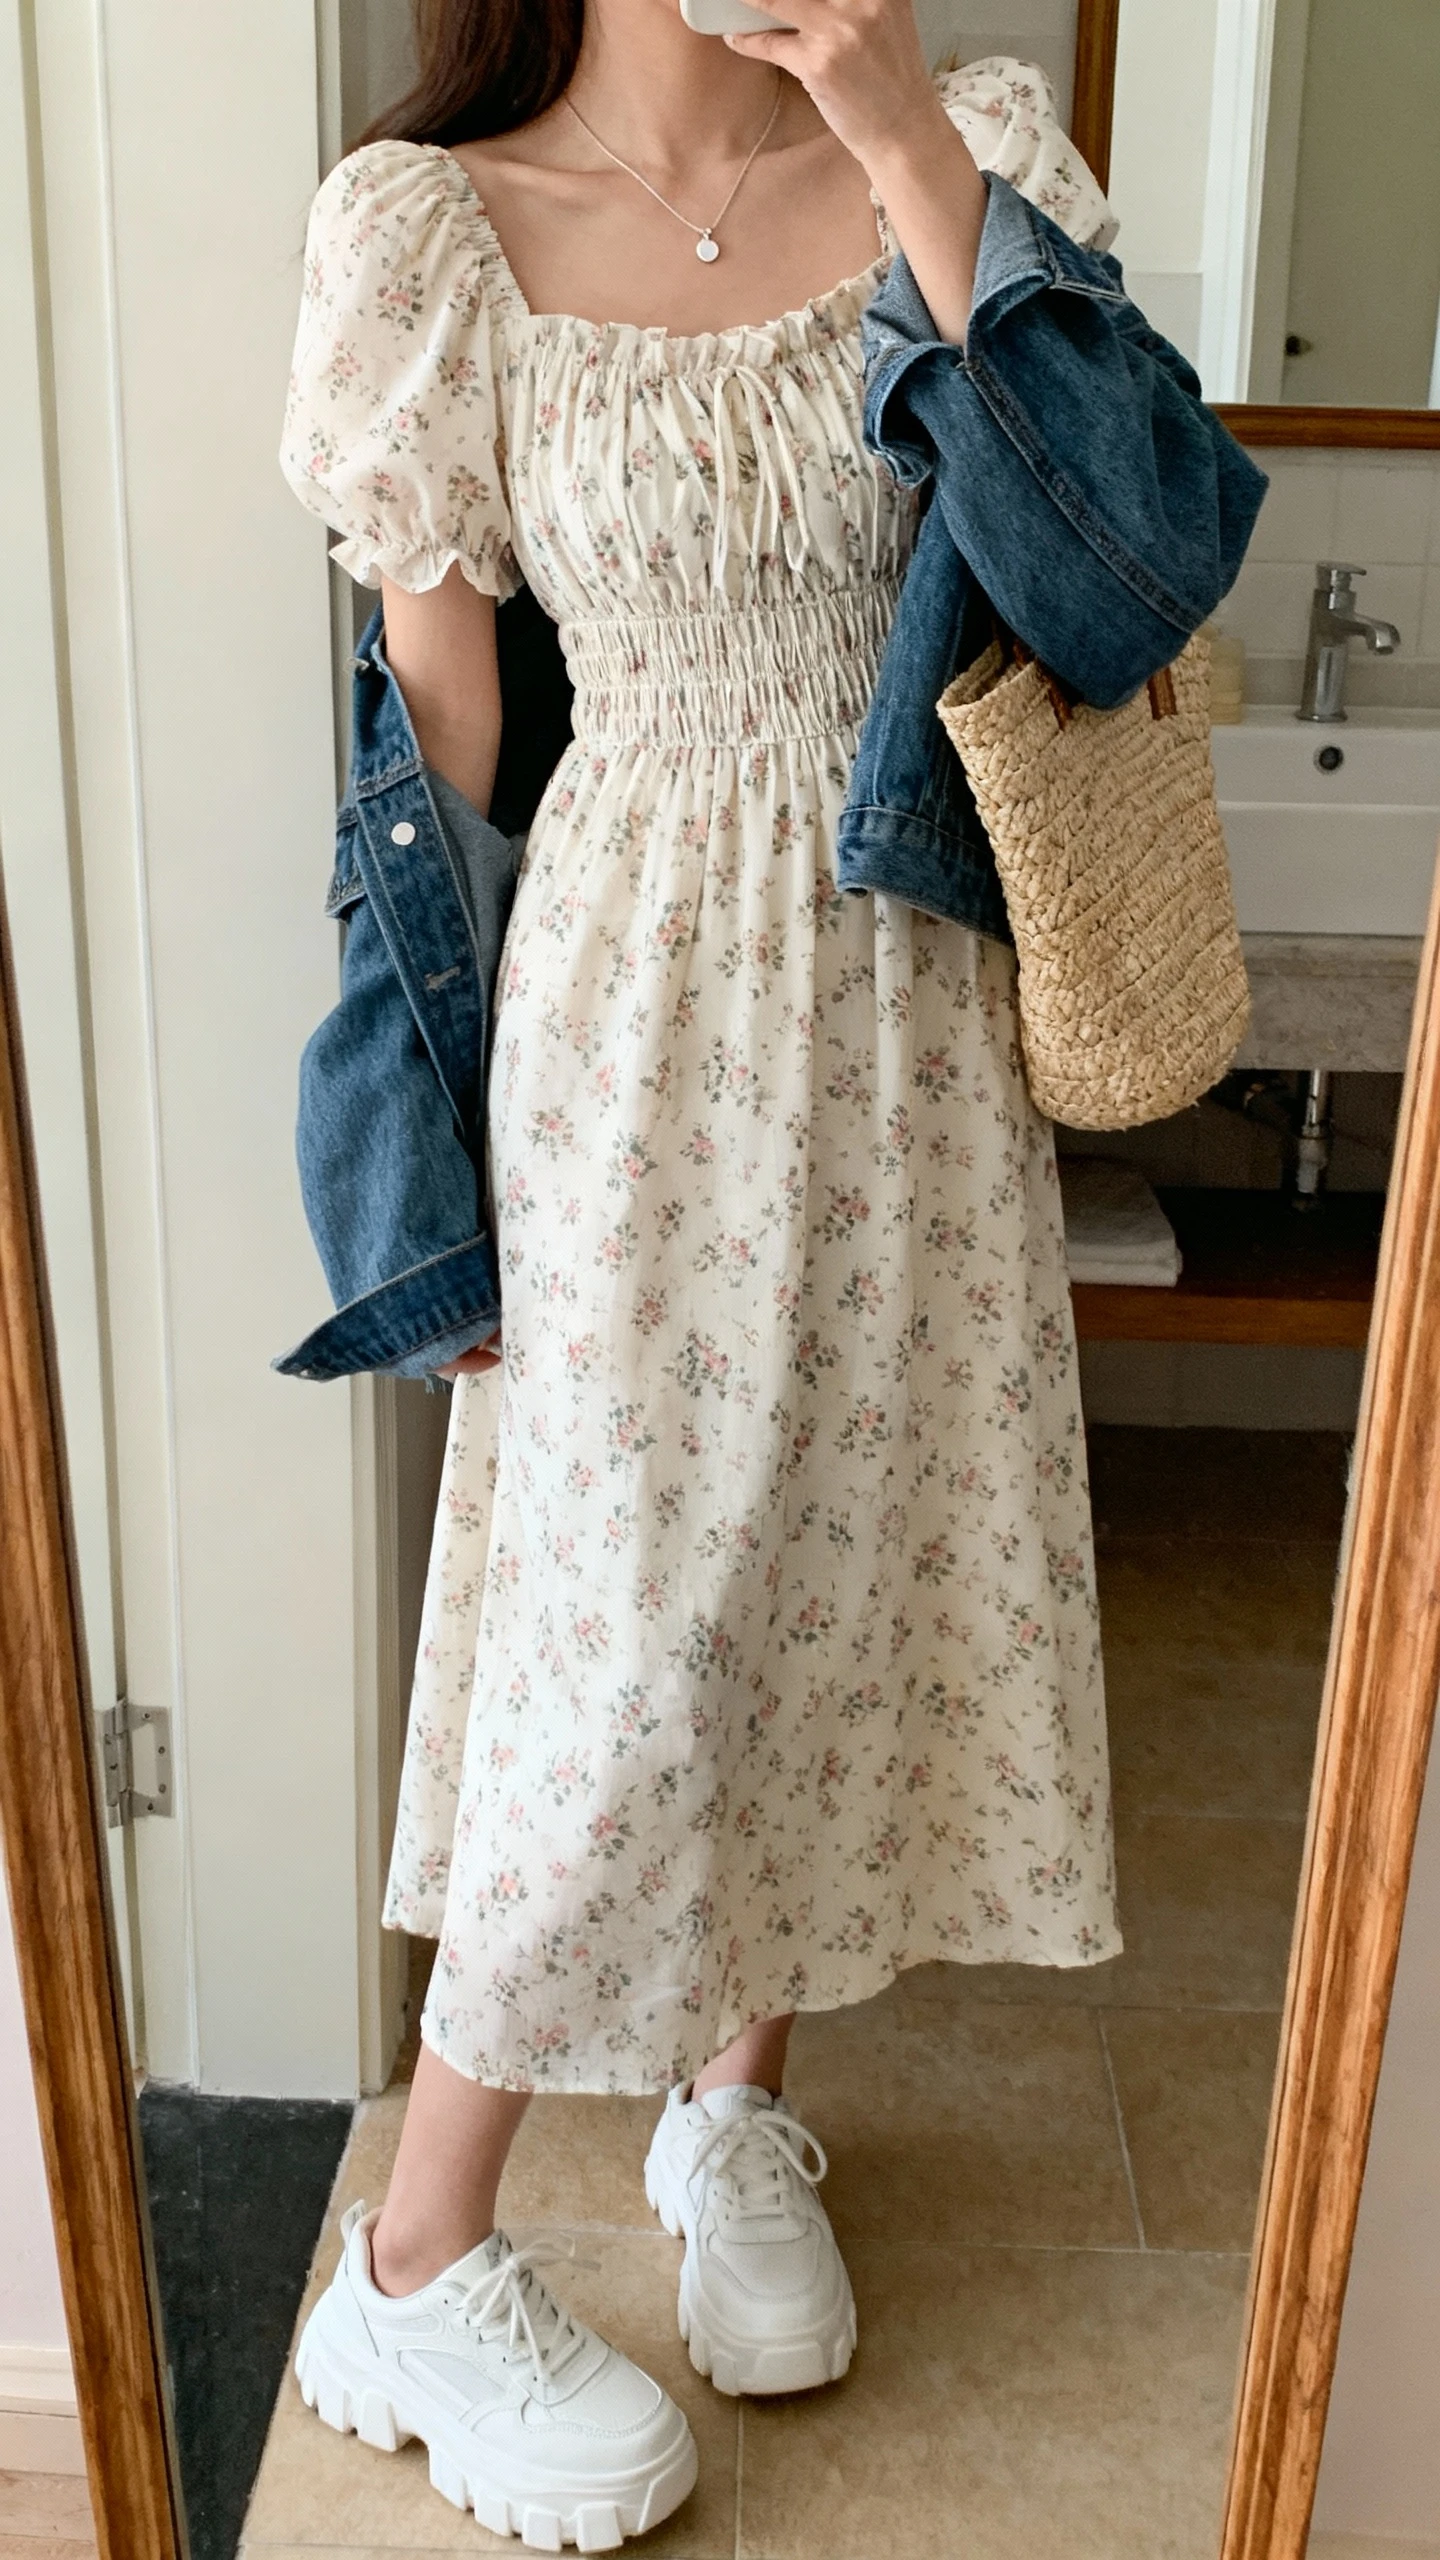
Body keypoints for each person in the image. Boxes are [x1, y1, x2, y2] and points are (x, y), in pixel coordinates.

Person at [280, 3, 1120, 2544]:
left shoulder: (963, 150)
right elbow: (426, 749)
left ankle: (729, 2103)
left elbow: (1107, 537)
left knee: (831, 1564)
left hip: (914, 998)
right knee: (615, 1630)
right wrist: (420, 1159)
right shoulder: (435, 232)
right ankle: (411, 2263)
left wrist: (881, 120)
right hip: (627, 1014)